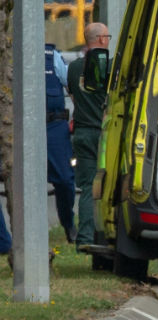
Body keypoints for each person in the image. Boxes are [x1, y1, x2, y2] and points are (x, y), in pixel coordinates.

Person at [67, 23, 109, 250]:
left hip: (81, 132)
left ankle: (84, 238)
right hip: (102, 134)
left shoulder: (73, 68)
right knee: (107, 186)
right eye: (108, 36)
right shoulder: (108, 66)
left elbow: (73, 96)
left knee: (86, 187)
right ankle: (104, 235)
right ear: (101, 39)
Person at [45, 43, 77, 243]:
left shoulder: (51, 55)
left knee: (65, 179)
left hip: (54, 126)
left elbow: (71, 86)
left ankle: (68, 224)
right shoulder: (8, 53)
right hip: (18, 126)